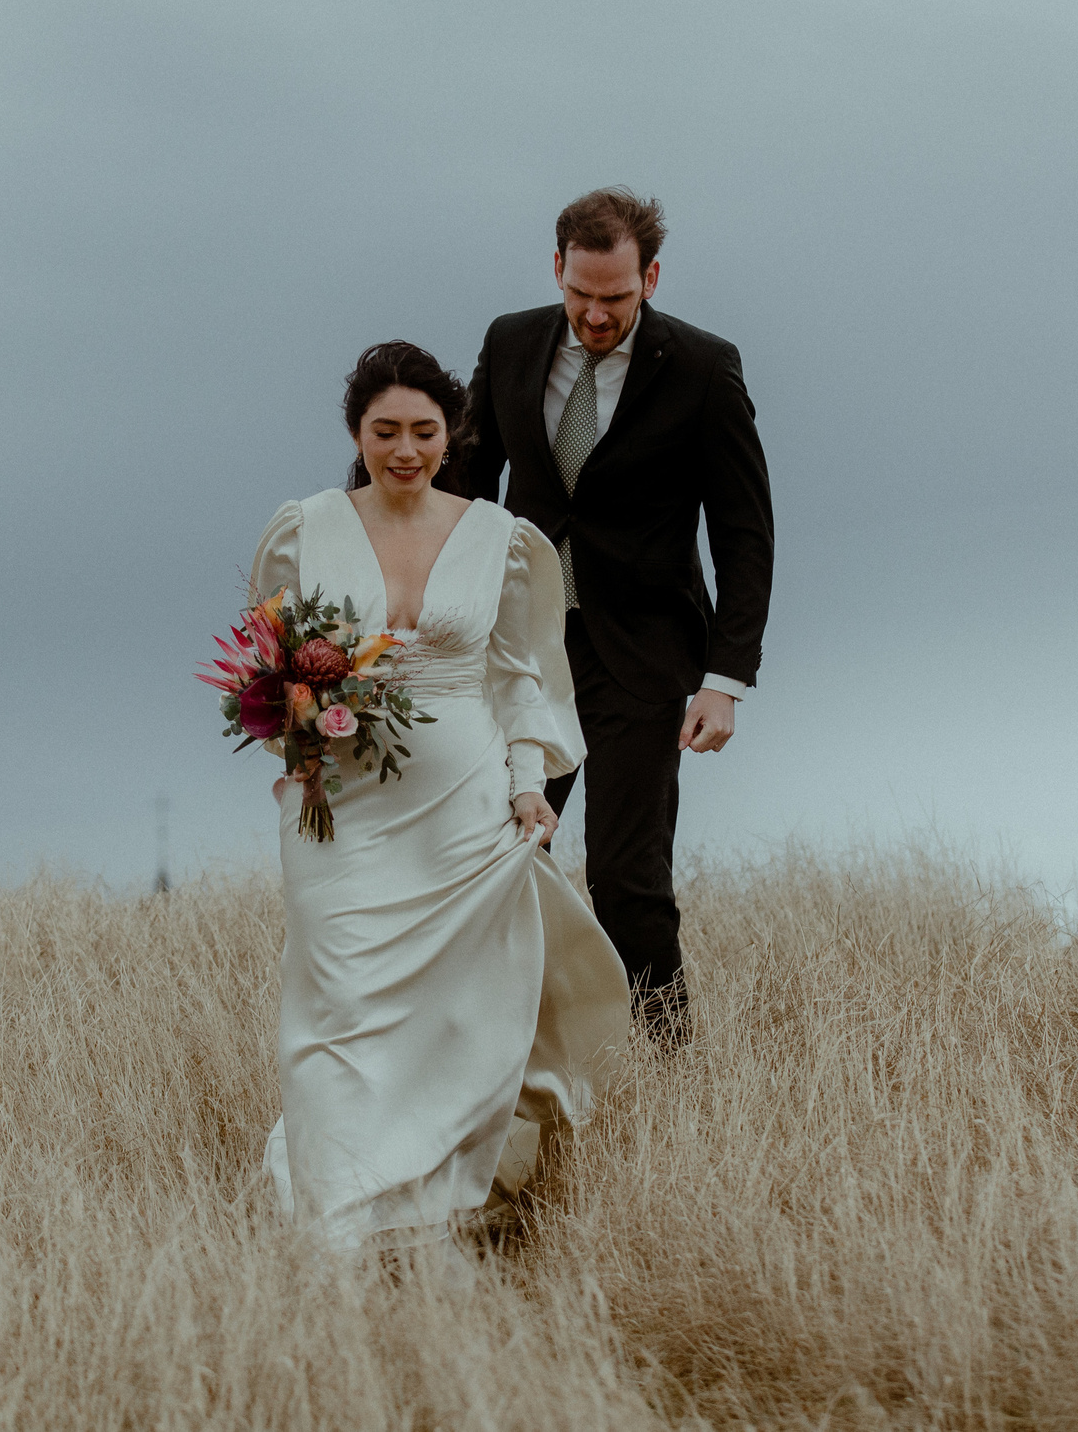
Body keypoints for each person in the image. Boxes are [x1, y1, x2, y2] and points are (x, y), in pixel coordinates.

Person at [249, 341, 628, 1265]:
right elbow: (271, 662)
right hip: (341, 807)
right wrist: (296, 742)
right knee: (340, 1002)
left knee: (459, 1007)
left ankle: (439, 1205)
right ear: (356, 432)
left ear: (451, 432)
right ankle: (339, 1213)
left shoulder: (503, 537)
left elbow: (524, 676)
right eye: (386, 431)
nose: (405, 449)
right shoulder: (304, 529)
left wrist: (529, 786)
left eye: (424, 431)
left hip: (464, 799)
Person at [462, 188, 774, 1046]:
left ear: (652, 278)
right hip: (522, 649)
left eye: (618, 297)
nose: (597, 315)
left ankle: (667, 1072)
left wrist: (724, 678)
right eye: (582, 294)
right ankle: (510, 1058)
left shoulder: (705, 368)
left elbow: (745, 531)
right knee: (501, 859)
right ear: (556, 267)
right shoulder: (510, 341)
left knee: (628, 878)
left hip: (642, 656)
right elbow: (465, 485)